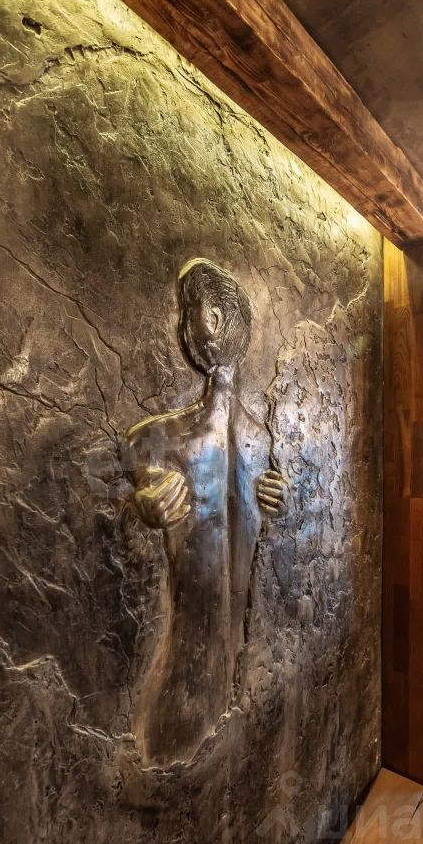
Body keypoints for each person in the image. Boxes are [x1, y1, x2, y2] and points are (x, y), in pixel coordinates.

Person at [125, 259, 288, 767]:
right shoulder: (156, 440)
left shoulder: (258, 444)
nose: (187, 325)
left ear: (214, 319)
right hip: (193, 673)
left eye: (191, 311)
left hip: (236, 669)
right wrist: (140, 510)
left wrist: (280, 505)